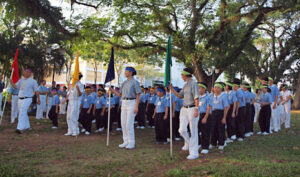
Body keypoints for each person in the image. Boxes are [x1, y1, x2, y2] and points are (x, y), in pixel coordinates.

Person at [170, 67, 200, 160]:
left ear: (186, 74)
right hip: (184, 109)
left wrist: (196, 109)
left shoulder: (193, 84)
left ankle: (194, 152)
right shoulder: (185, 85)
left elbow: (196, 97)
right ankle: (188, 143)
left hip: (192, 108)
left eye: (182, 74)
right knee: (181, 130)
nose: (181, 76)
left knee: (193, 131)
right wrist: (171, 89)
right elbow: (179, 95)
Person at [110, 67, 141, 150]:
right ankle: (125, 141)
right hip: (124, 102)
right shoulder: (124, 83)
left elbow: (138, 94)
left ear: (131, 72)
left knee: (129, 124)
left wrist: (136, 106)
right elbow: (120, 95)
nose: (125, 72)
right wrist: (113, 91)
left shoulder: (135, 82)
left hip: (132, 102)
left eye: (126, 71)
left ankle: (131, 142)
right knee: (123, 123)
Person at [10, 69, 40, 134]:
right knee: (22, 112)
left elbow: (37, 91)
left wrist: (38, 99)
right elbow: (15, 87)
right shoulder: (21, 80)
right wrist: (11, 82)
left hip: (27, 98)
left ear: (30, 73)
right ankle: (27, 126)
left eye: (27, 72)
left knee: (22, 112)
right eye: (25, 72)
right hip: (20, 98)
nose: (25, 73)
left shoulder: (33, 81)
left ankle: (20, 128)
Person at [209, 82, 229, 150]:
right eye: (215, 87)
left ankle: (221, 143)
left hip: (221, 113)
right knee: (213, 128)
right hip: (214, 113)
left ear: (221, 89)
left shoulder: (224, 96)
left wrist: (224, 117)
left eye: (218, 88)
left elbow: (226, 107)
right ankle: (213, 143)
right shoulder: (212, 96)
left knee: (221, 129)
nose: (216, 89)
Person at [65, 72, 84, 136]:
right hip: (70, 101)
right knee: (68, 116)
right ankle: (70, 130)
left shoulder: (80, 84)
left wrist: (78, 89)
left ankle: (75, 130)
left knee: (73, 116)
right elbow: (69, 93)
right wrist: (65, 100)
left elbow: (80, 94)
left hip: (76, 101)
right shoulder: (72, 84)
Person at [198, 82, 211, 154]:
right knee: (197, 130)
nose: (198, 89)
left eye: (199, 87)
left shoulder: (208, 97)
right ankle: (199, 143)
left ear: (204, 89)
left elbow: (208, 108)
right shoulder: (197, 97)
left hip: (205, 115)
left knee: (205, 132)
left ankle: (205, 147)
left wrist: (205, 117)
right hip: (198, 115)